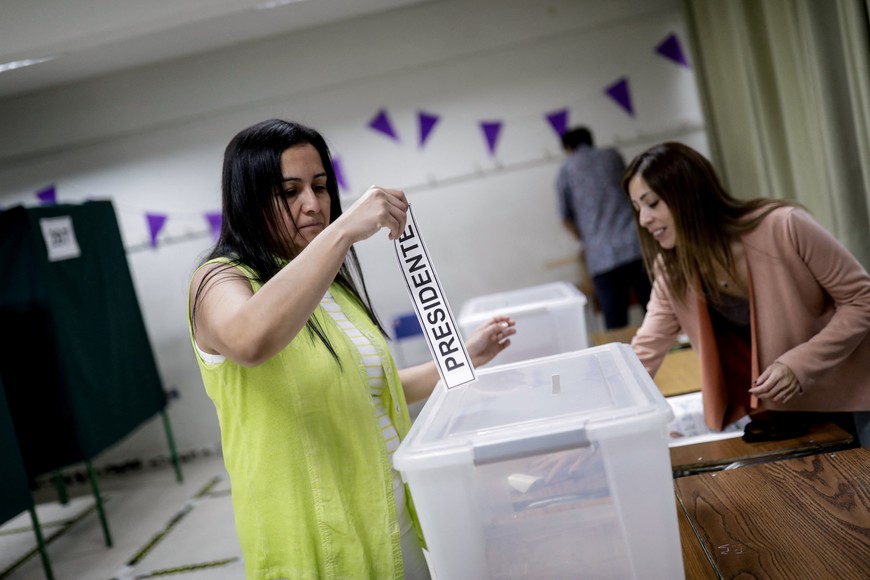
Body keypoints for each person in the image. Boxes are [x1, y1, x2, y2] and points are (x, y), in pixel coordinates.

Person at [187, 119, 517, 579]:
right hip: (318, 535)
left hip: (388, 511)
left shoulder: (330, 287)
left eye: (320, 187)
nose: (312, 204)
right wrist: (340, 234)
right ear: (249, 198)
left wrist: (463, 355)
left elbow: (370, 390)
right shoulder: (218, 280)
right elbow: (249, 340)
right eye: (289, 192)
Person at [623, 141, 870, 446]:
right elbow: (644, 353)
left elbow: (861, 300)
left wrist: (799, 364)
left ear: (689, 195)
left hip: (852, 394)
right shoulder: (672, 269)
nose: (644, 219)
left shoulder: (784, 226)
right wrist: (591, 431)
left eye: (652, 203)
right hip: (782, 414)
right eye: (637, 209)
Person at [556, 126, 651, 329]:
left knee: (615, 323)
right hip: (634, 245)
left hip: (601, 257)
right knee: (655, 312)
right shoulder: (613, 155)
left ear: (568, 147)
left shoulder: (566, 169)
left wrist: (585, 239)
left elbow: (565, 217)